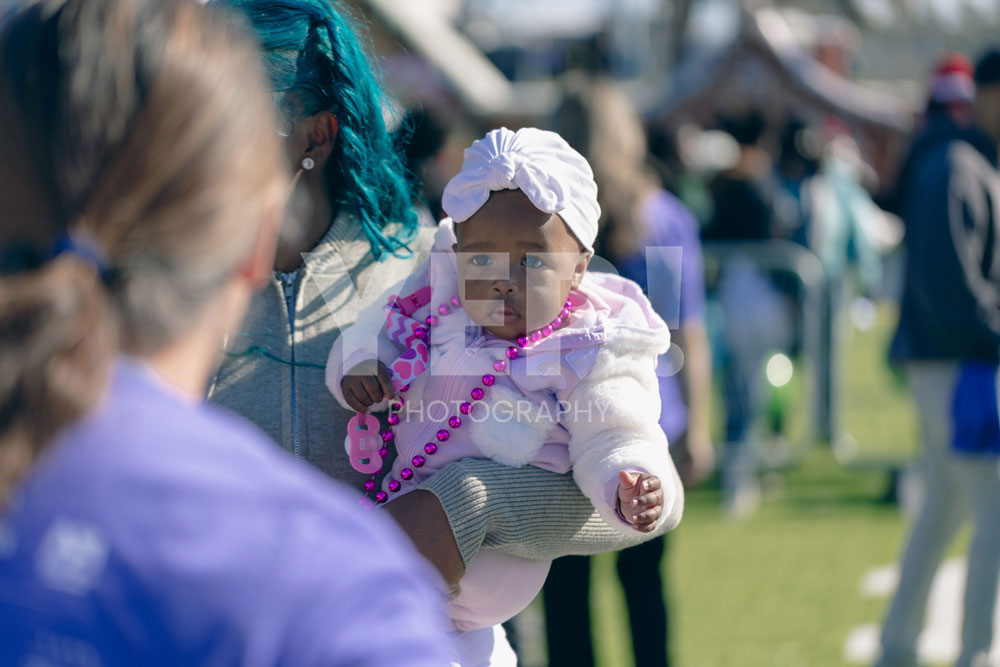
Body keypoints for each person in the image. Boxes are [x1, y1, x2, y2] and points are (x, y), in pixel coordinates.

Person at [0, 1, 453, 665]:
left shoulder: (431, 274)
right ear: (252, 230)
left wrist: (468, 507)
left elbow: (563, 427)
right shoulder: (338, 591)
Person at [207, 0, 674, 640]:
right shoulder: (156, 291)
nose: (190, 138)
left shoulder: (431, 271)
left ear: (314, 134)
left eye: (225, 111)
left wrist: (472, 501)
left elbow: (613, 482)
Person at [329, 126, 684, 665]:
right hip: (409, 505)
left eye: (532, 261)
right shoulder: (435, 299)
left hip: (494, 561)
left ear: (580, 266)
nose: (502, 280)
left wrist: (628, 478)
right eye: (481, 260)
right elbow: (370, 326)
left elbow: (614, 429)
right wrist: (359, 365)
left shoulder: (585, 345)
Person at [543, 79, 713, 667]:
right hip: (646, 427)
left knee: (565, 595)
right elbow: (681, 335)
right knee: (644, 586)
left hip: (559, 428)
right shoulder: (662, 218)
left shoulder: (544, 225)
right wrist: (698, 426)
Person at [876, 48, 1000, 667]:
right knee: (992, 511)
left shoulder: (961, 156)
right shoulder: (956, 162)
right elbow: (951, 287)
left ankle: (897, 643)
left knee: (945, 511)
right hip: (957, 364)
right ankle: (975, 651)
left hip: (952, 361)